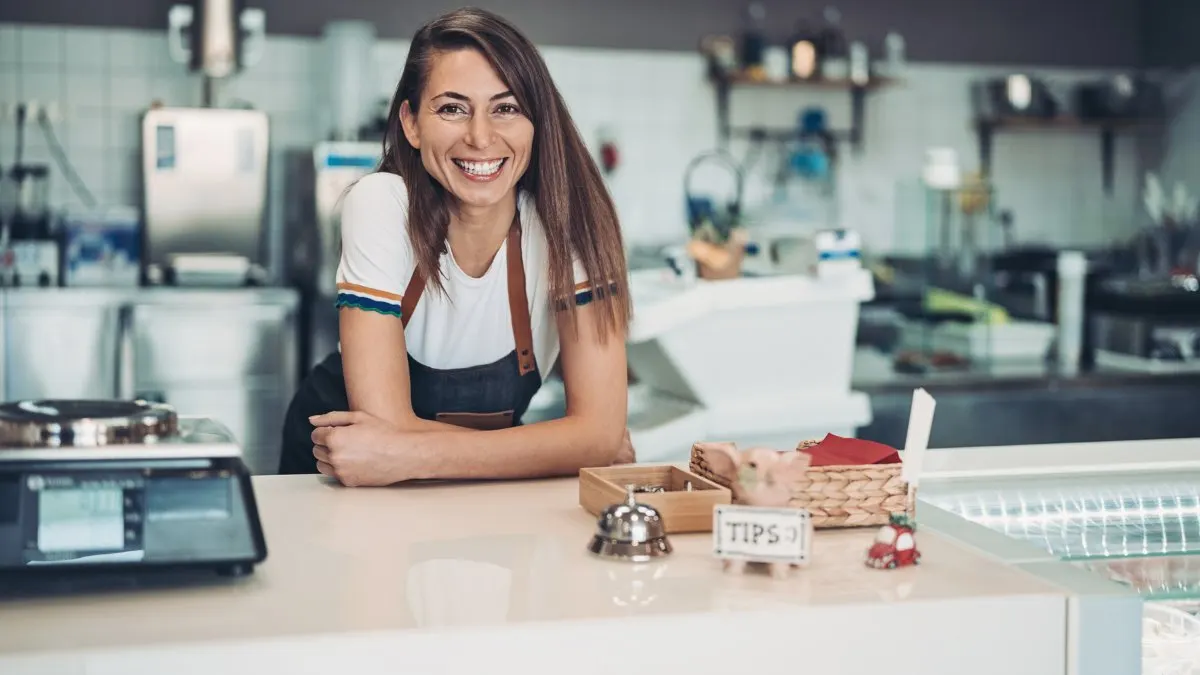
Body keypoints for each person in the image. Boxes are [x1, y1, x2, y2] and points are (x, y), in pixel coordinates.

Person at [278, 7, 634, 486]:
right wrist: (561, 447)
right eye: (452, 108)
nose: (480, 137)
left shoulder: (572, 222)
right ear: (411, 123)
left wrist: (405, 452)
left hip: (467, 485)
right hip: (336, 474)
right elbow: (383, 424)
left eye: (506, 108)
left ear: (537, 121)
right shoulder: (381, 203)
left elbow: (600, 436)